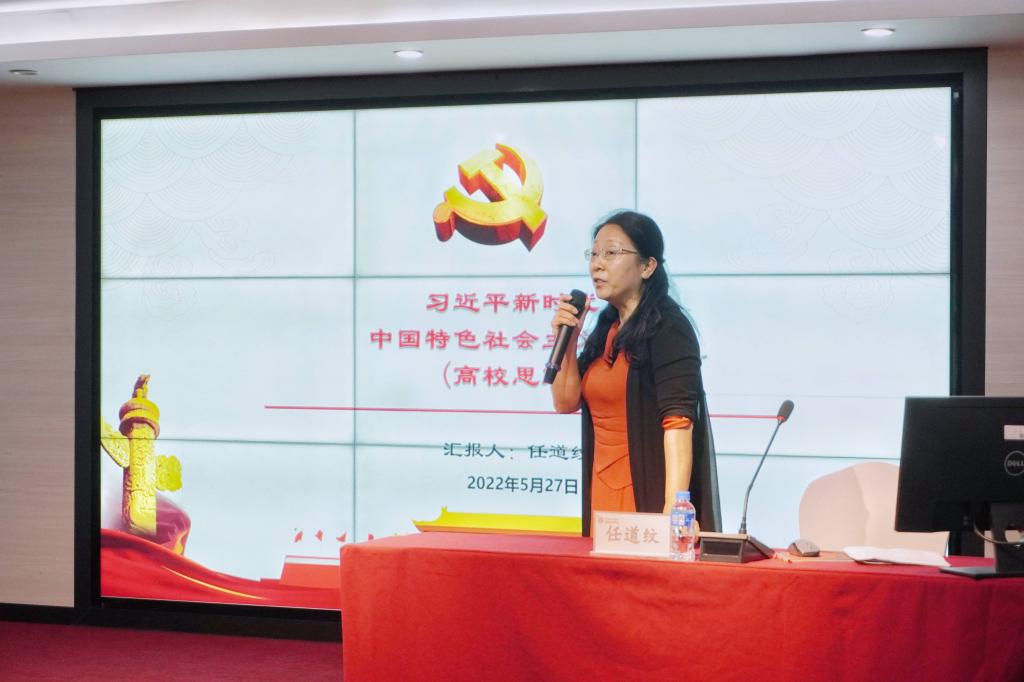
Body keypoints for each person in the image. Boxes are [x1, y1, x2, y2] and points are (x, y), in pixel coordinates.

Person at [549, 210, 720, 536]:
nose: (597, 265)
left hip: (646, 491)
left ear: (647, 266)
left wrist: (675, 506)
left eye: (611, 253)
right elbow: (564, 401)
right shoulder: (606, 329)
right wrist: (568, 340)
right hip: (601, 490)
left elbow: (679, 422)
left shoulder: (669, 327)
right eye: (593, 254)